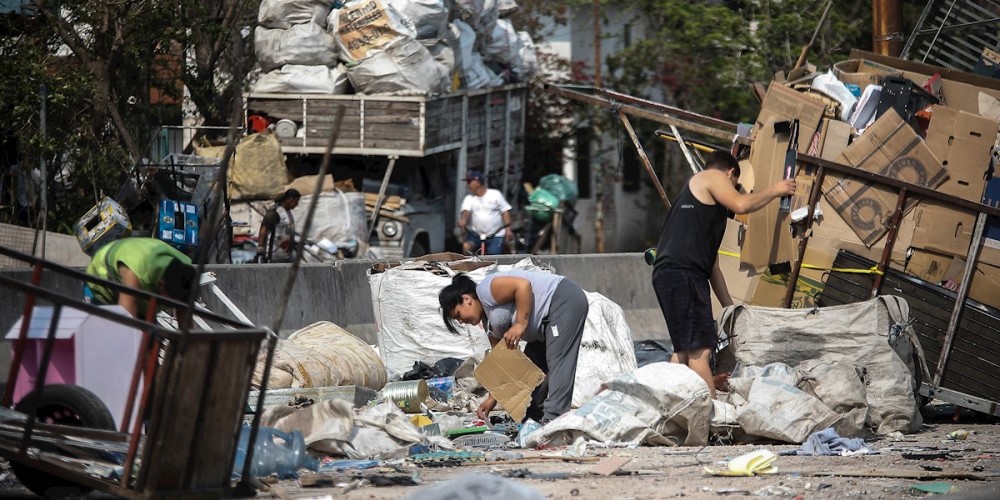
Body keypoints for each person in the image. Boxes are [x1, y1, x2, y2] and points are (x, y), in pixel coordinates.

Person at [651, 150, 795, 399]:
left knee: (683, 353)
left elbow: (713, 267)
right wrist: (777, 190)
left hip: (674, 274)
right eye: (735, 185)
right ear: (731, 173)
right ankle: (711, 418)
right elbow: (741, 204)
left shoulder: (701, 213)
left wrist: (729, 309)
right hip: (682, 274)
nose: (733, 191)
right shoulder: (712, 176)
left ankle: (667, 409)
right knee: (701, 353)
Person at [439, 271, 588, 423]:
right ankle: (533, 419)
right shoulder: (489, 324)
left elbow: (522, 285)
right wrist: (492, 399)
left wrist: (520, 325)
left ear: (466, 299)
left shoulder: (486, 290)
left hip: (561, 300)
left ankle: (555, 421)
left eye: (458, 315)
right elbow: (503, 363)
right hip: (542, 327)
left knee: (558, 361)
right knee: (531, 370)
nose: (461, 322)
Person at [85, 237, 197, 318]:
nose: (170, 307)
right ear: (161, 284)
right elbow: (127, 320)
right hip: (99, 282)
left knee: (150, 338)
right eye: (170, 301)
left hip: (142, 283)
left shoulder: (183, 273)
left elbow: (185, 323)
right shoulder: (135, 272)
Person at [457, 171, 514, 255]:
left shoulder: (495, 195)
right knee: (466, 247)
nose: (468, 185)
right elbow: (466, 211)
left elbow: (505, 211)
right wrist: (463, 220)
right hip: (476, 235)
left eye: (469, 182)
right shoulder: (469, 198)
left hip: (495, 235)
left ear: (478, 182)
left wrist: (508, 229)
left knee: (492, 255)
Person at [257, 189, 301, 263]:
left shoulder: (287, 212)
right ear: (290, 199)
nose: (297, 204)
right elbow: (264, 229)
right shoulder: (275, 212)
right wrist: (260, 249)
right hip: (274, 254)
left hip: (285, 254)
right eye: (296, 202)